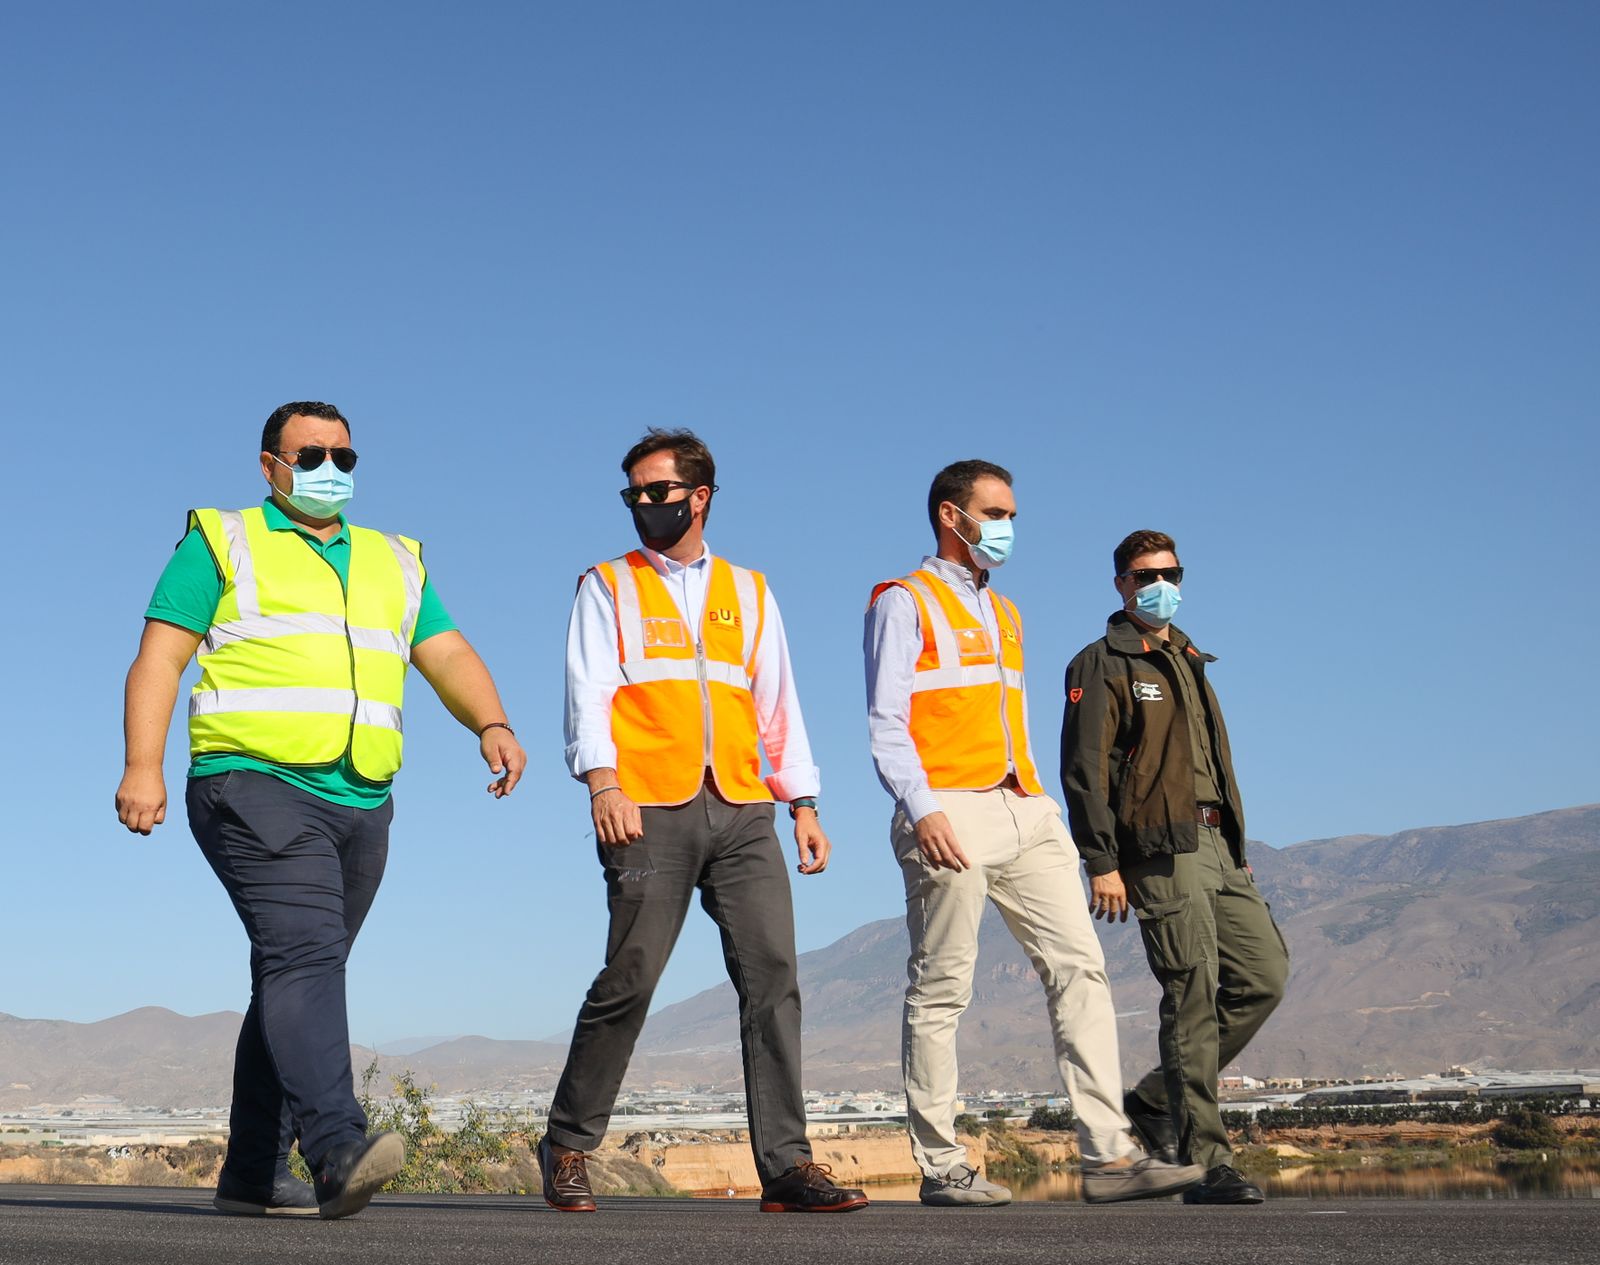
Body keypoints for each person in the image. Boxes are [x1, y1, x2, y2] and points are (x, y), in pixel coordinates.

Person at [116, 400, 526, 1220]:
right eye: (309, 456)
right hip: (252, 782)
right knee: (305, 955)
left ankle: (252, 1173)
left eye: (343, 454)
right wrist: (142, 765)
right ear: (269, 465)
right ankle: (338, 1146)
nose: (328, 469)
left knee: (296, 968)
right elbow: (161, 653)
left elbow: (442, 650)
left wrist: (492, 721)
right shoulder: (223, 540)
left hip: (363, 795)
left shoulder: (393, 559)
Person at [544, 427, 867, 1215]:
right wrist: (602, 781)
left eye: (657, 491)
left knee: (774, 978)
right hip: (646, 805)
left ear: (701, 496)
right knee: (633, 975)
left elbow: (776, 701)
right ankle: (567, 1142)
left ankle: (787, 1167)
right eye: (634, 494)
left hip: (745, 806)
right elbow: (587, 692)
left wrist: (805, 803)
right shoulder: (607, 585)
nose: (643, 505)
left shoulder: (750, 590)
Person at [864, 461, 1203, 1207]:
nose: (1008, 527)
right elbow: (887, 721)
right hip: (948, 810)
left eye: (1011, 513)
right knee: (942, 986)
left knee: (1081, 968)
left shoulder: (1006, 611)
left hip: (1024, 806)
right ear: (951, 516)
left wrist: (1047, 811)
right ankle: (943, 1164)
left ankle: (1108, 1156)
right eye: (995, 512)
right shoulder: (903, 601)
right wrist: (923, 808)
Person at [1061, 529, 1289, 1205]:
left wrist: (1238, 852)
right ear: (1121, 585)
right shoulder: (1102, 663)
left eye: (1169, 571)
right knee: (1192, 991)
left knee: (1264, 976)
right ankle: (1205, 1159)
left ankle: (1159, 1097)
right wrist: (1101, 859)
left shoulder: (1190, 657)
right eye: (1142, 575)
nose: (1158, 584)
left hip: (1220, 846)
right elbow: (1085, 767)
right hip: (1161, 848)